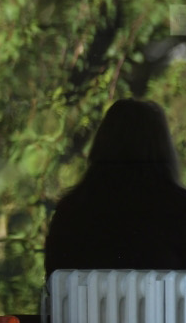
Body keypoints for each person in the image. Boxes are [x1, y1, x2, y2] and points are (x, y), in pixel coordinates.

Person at [44, 98, 186, 274]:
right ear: (163, 149)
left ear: (102, 144)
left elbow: (52, 276)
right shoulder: (180, 209)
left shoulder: (69, 211)